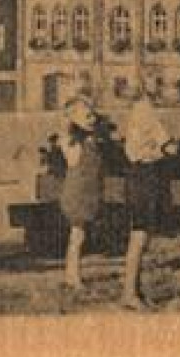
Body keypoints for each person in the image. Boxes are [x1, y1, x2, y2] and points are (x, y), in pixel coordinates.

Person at [119, 77, 175, 310]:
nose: (162, 88)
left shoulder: (136, 110)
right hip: (145, 174)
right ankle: (129, 293)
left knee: (139, 236)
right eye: (158, 85)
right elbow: (167, 145)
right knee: (140, 237)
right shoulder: (147, 112)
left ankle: (134, 290)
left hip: (137, 174)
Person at [55, 95, 104, 291]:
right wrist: (70, 114)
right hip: (77, 193)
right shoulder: (72, 143)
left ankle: (71, 275)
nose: (92, 119)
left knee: (78, 236)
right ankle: (73, 278)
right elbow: (64, 130)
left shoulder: (89, 140)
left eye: (93, 116)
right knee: (77, 237)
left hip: (88, 192)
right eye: (87, 116)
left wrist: (85, 112)